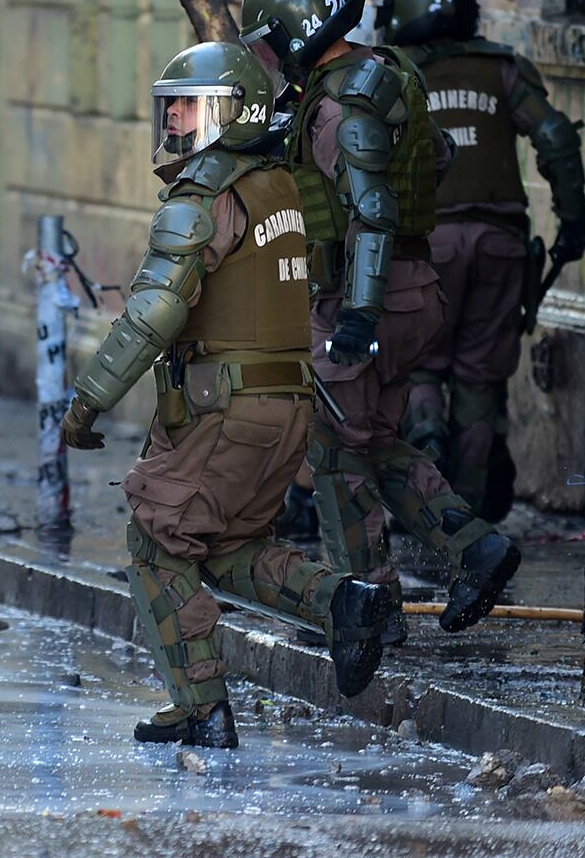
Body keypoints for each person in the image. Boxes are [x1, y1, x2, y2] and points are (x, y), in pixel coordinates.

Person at [58, 41, 393, 747]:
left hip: (223, 411)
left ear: (234, 111)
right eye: (170, 103)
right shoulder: (279, 185)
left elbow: (154, 311)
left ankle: (202, 706)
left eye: (192, 103)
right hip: (289, 407)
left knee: (154, 545)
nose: (175, 115)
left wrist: (89, 399)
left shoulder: (201, 198)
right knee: (227, 545)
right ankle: (343, 599)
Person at [242, 0, 521, 639]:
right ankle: (424, 577)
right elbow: (439, 158)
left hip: (371, 293)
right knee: (366, 439)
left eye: (270, 41)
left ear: (297, 33)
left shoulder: (340, 107)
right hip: (410, 289)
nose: (270, 56)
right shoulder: (384, 72)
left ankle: (375, 596)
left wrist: (358, 317)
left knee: (332, 441)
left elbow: (372, 212)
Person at [375, 0, 585, 518]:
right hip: (500, 245)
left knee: (418, 367)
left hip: (425, 247)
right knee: (479, 381)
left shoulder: (392, 73)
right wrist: (573, 223)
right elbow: (556, 139)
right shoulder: (504, 70)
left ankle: (424, 492)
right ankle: (468, 525)